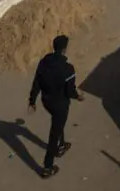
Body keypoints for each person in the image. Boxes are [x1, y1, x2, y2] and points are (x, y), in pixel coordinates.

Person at [28, 34, 83, 177]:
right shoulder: (68, 69)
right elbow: (70, 91)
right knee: (55, 132)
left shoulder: (43, 62)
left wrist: (32, 100)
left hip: (46, 102)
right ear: (64, 49)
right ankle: (48, 166)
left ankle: (61, 144)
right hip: (60, 104)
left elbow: (37, 82)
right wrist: (79, 97)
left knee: (58, 124)